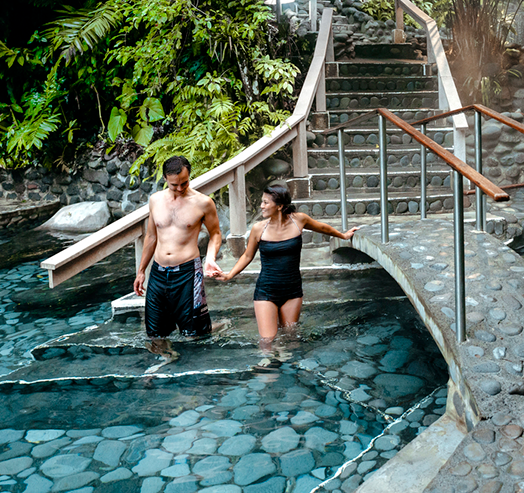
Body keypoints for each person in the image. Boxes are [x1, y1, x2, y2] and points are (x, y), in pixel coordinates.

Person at [215, 184, 359, 345]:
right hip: (266, 291)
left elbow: (322, 227)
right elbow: (247, 256)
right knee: (268, 341)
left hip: (292, 290)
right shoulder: (259, 229)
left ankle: (289, 367)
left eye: (265, 202)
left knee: (291, 338)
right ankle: (268, 367)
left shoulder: (299, 220)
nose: (261, 206)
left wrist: (343, 235)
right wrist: (229, 275)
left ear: (280, 206)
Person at [134, 155, 227, 365]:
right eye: (174, 184)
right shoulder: (156, 200)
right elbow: (150, 236)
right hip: (158, 273)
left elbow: (215, 234)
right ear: (166, 179)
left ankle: (215, 331)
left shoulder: (203, 202)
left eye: (184, 182)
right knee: (155, 334)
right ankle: (168, 359)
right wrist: (141, 271)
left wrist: (210, 258)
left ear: (189, 176)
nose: (179, 188)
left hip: (188, 272)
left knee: (194, 335)